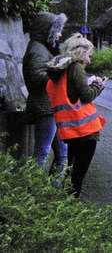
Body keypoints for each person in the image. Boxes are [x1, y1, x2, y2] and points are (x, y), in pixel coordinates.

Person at [46, 33, 107, 198]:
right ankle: (70, 204)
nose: (89, 61)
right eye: (88, 55)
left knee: (71, 170)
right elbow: (86, 95)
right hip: (85, 130)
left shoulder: (59, 69)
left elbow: (71, 93)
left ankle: (64, 203)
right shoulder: (76, 67)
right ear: (80, 52)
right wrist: (98, 85)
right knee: (78, 173)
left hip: (70, 129)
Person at [23, 12, 68, 180]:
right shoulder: (38, 50)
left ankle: (48, 193)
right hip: (45, 108)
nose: (60, 34)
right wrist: (58, 71)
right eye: (57, 30)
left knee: (61, 155)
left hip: (48, 107)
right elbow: (36, 77)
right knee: (43, 153)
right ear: (47, 31)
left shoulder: (39, 48)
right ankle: (33, 191)